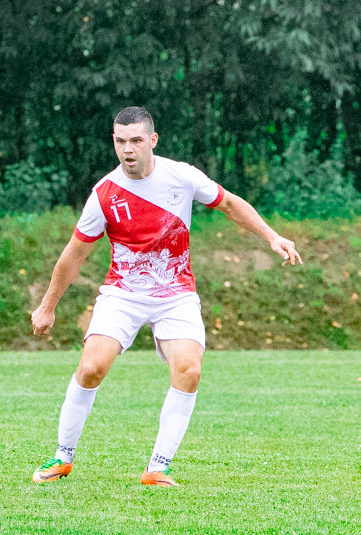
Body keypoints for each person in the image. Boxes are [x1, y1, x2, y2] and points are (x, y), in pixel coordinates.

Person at [30, 106, 302, 487]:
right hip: (123, 293)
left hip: (176, 293)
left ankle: (158, 466)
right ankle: (62, 456)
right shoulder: (104, 194)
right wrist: (47, 306)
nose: (128, 149)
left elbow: (229, 204)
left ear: (152, 140)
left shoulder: (182, 176)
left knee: (189, 369)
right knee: (92, 367)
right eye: (121, 141)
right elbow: (74, 253)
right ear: (114, 141)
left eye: (136, 140)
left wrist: (272, 236)